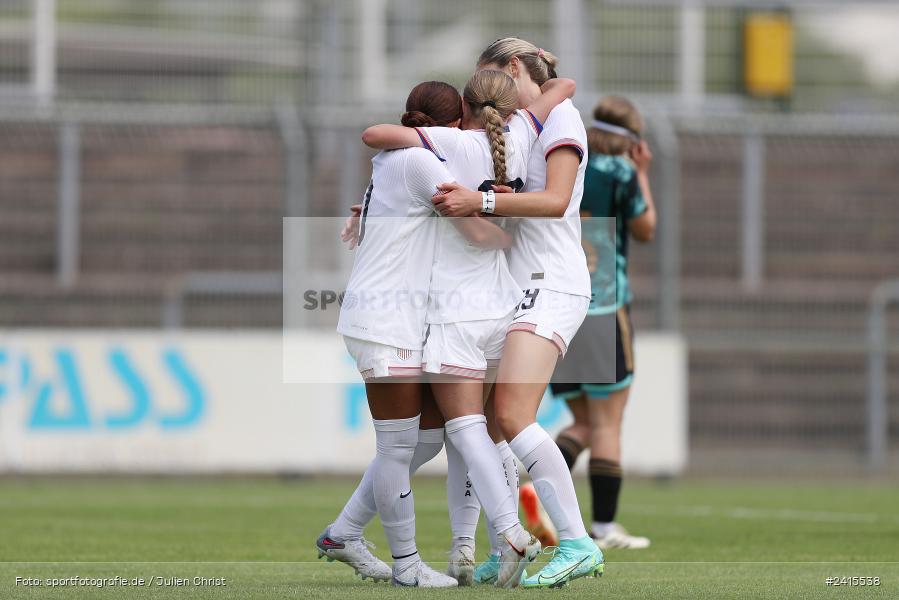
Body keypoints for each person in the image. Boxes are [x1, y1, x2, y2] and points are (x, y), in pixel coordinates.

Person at [361, 69, 575, 587]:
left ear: (464, 112)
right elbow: (561, 88)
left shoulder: (445, 147)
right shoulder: (523, 133)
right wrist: (542, 79)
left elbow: (377, 136)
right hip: (504, 305)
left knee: (454, 433)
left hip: (452, 310)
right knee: (493, 435)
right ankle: (470, 548)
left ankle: (504, 535)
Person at [432, 37, 604, 588]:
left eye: (492, 80)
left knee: (511, 414)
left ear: (511, 68)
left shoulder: (564, 121)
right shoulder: (527, 121)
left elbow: (555, 201)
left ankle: (577, 543)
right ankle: (509, 545)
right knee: (483, 425)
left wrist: (481, 201)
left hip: (552, 286)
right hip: (515, 287)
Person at [316, 81, 468, 589]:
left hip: (394, 315)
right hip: (384, 318)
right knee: (398, 449)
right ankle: (407, 566)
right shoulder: (422, 161)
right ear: (457, 121)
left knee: (426, 437)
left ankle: (344, 533)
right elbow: (466, 216)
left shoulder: (400, 157)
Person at [546, 95, 657, 550]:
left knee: (583, 424)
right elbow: (646, 228)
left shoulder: (565, 163)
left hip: (558, 307)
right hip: (605, 309)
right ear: (634, 140)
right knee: (608, 424)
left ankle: (529, 491)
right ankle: (606, 528)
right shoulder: (621, 172)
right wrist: (643, 175)